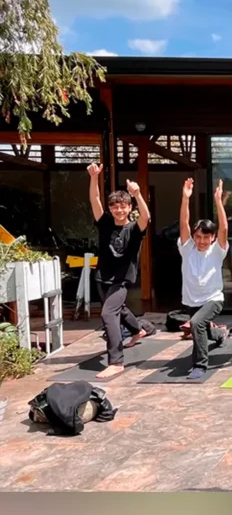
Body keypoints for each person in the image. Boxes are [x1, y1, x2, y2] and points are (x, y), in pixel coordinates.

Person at [87, 162, 150, 380]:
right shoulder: (105, 223)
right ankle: (137, 330)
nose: (119, 210)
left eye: (123, 206)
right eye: (115, 206)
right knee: (117, 308)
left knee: (108, 313)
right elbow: (95, 201)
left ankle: (116, 361)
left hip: (123, 278)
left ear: (129, 208)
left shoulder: (134, 228)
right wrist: (94, 177)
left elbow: (146, 217)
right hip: (103, 275)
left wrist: (138, 194)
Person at [177, 177, 230, 380]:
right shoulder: (187, 249)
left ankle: (200, 365)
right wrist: (185, 198)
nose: (201, 241)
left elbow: (224, 228)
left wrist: (218, 202)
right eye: (198, 236)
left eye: (206, 237)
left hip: (213, 299)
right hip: (193, 300)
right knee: (203, 330)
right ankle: (219, 334)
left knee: (196, 324)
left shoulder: (217, 251)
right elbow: (183, 223)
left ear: (213, 237)